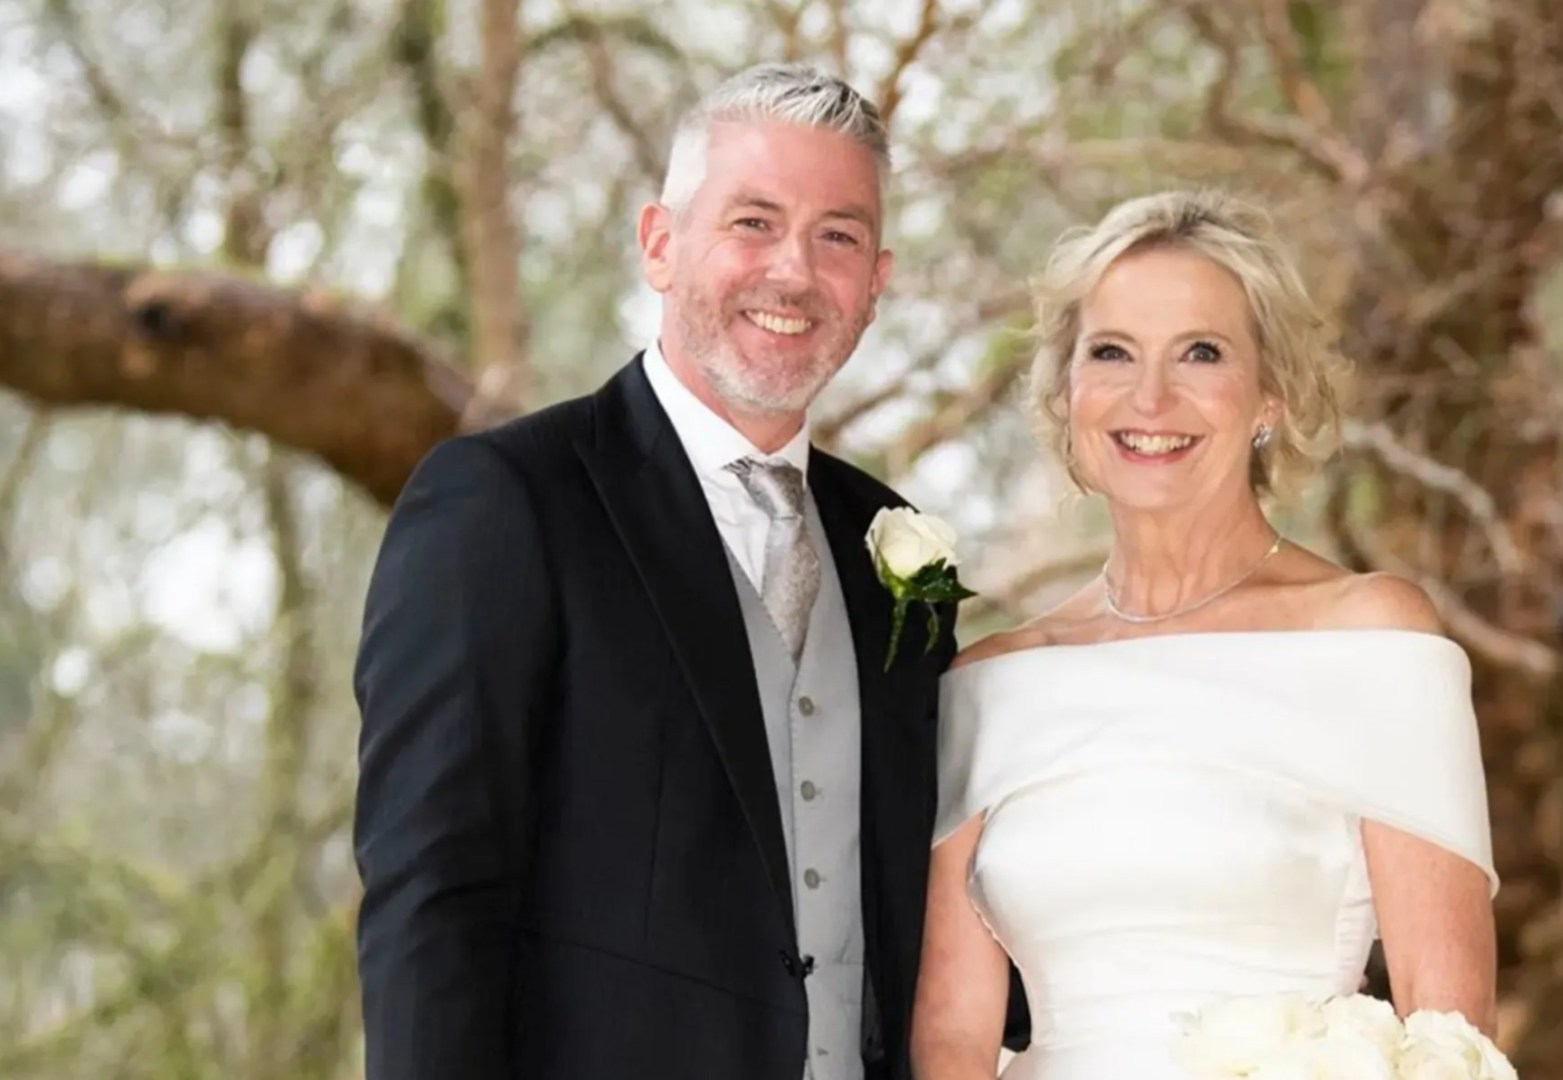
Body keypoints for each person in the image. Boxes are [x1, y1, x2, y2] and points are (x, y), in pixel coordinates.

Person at [353, 63, 957, 1080]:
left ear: (877, 282)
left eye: (838, 237)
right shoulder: (506, 501)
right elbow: (432, 896)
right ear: (660, 244)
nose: (794, 272)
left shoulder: (893, 542)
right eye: (753, 223)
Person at [909, 190, 1501, 1079]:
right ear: (1068, 393)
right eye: (1112, 352)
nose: (1151, 396)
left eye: (1201, 352)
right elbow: (951, 1038)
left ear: (1270, 395)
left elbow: (1450, 1026)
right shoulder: (991, 681)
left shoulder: (1371, 635)